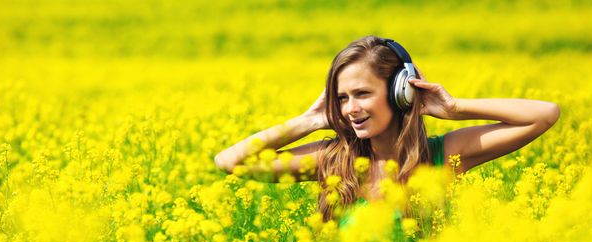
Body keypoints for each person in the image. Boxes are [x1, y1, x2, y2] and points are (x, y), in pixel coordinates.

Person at [213, 35, 560, 221]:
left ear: (401, 93)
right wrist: (311, 120)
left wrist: (454, 108)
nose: (350, 109)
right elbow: (229, 162)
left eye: (362, 94)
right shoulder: (332, 159)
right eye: (342, 98)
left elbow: (543, 114)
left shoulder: (443, 157)